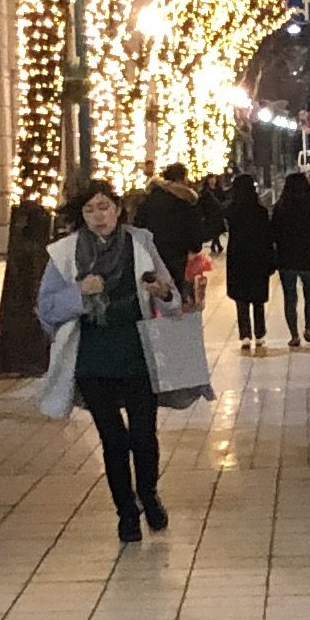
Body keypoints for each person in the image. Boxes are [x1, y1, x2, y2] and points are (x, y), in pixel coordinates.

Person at [36, 178, 178, 542]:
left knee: (143, 435)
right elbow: (46, 308)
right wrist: (79, 293)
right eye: (89, 210)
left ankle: (148, 493)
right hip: (92, 357)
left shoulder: (139, 243)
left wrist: (162, 291)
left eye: (104, 207)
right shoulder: (65, 253)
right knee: (113, 439)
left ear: (118, 209)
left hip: (137, 351)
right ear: (81, 216)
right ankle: (126, 512)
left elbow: (170, 294)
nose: (98, 216)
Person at [269, 166, 310, 347]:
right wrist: (309, 239)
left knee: (290, 297)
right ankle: (308, 328)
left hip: (286, 258)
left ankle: (294, 334)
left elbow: (273, 233)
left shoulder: (281, 208)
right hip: (308, 256)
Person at [222, 174, 275, 351]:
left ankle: (245, 334)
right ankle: (260, 334)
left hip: (238, 256)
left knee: (241, 299)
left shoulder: (232, 211)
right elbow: (267, 236)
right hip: (257, 256)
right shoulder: (260, 211)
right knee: (258, 299)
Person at [138, 161, 206, 295]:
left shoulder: (150, 198)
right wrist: (195, 247)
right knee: (179, 291)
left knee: (157, 291)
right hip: (178, 255)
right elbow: (193, 227)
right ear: (182, 178)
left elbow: (139, 224)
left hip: (153, 253)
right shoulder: (185, 199)